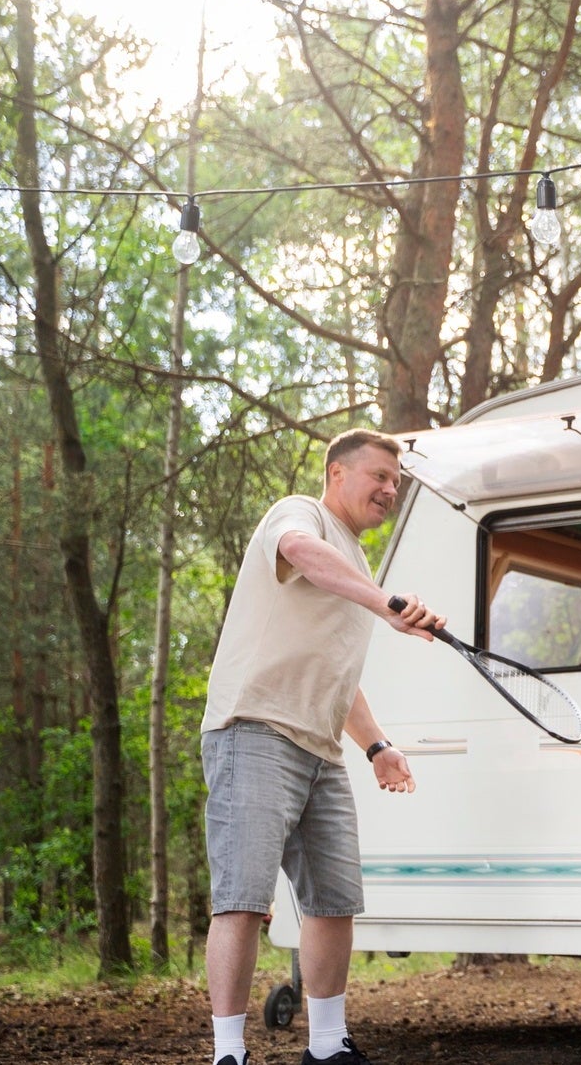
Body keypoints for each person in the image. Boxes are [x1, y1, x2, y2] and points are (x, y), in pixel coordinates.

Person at [199, 429, 445, 1065]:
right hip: (254, 730)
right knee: (244, 900)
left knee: (335, 902)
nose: (391, 489)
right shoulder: (300, 512)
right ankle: (228, 1054)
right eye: (379, 476)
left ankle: (328, 1048)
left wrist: (377, 746)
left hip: (322, 752)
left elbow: (339, 672)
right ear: (337, 474)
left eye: (397, 480)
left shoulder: (360, 565)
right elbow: (300, 552)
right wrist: (385, 603)